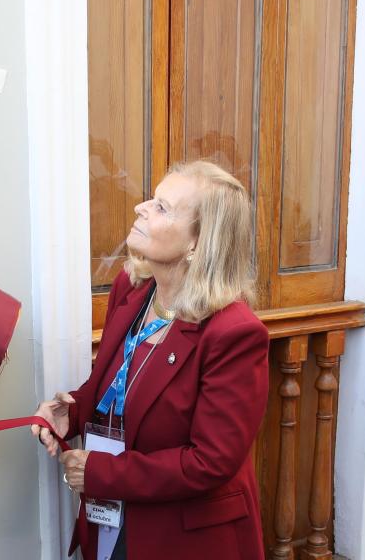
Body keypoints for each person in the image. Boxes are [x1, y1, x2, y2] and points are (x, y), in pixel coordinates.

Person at [32, 161, 268, 559]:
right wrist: (69, 415)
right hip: (113, 520)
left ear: (198, 242)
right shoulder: (133, 288)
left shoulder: (234, 333)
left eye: (162, 207)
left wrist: (102, 474)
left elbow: (209, 462)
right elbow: (113, 386)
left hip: (184, 539)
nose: (141, 207)